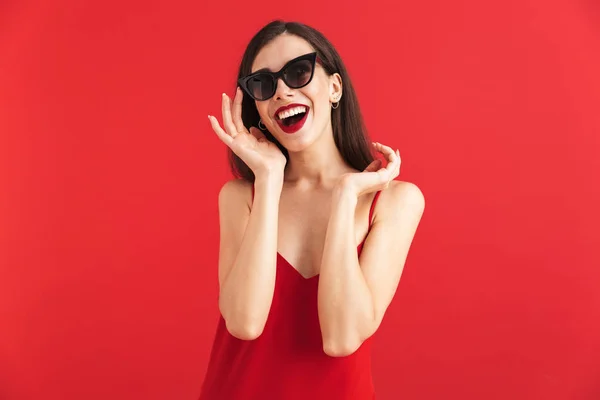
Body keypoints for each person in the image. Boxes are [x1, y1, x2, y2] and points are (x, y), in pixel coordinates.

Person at [200, 20, 425, 400]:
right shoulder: (242, 198)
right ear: (256, 105)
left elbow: (341, 337)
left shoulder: (395, 201)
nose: (283, 91)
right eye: (264, 84)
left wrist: (345, 197)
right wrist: (269, 179)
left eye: (298, 71)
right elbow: (244, 322)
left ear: (335, 87)